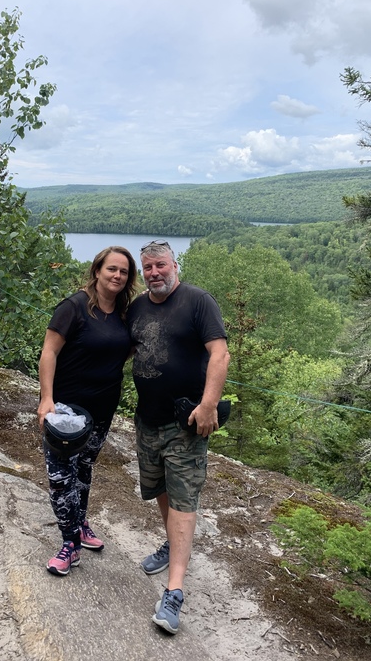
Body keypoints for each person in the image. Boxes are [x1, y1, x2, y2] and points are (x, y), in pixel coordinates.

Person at [127, 240, 230, 634]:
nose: (154, 272)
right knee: (161, 490)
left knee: (184, 498)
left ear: (174, 264)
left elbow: (219, 354)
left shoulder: (198, 301)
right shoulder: (137, 306)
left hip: (185, 422)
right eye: (148, 267)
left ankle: (174, 593)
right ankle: (171, 544)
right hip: (146, 420)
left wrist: (207, 406)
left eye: (160, 265)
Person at [37, 246, 137, 576]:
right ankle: (69, 544)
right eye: (112, 269)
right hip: (66, 408)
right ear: (97, 271)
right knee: (61, 478)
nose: (117, 276)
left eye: (123, 272)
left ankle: (79, 522)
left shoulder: (124, 313)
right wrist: (46, 399)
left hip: (102, 410)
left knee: (83, 471)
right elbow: (49, 352)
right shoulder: (74, 307)